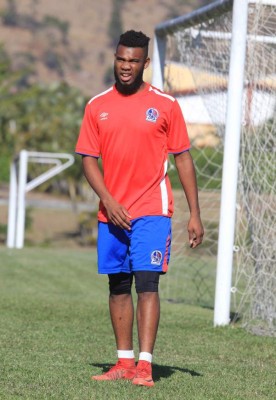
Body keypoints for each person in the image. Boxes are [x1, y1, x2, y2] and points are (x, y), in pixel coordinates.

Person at [75, 30, 204, 387]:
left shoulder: (166, 105)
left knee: (147, 283)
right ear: (114, 59)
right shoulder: (96, 105)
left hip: (152, 208)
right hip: (111, 212)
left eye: (133, 61)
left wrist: (194, 213)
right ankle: (123, 362)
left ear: (145, 63)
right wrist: (110, 202)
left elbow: (183, 159)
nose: (126, 66)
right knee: (118, 285)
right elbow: (88, 160)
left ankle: (145, 367)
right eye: (121, 60)